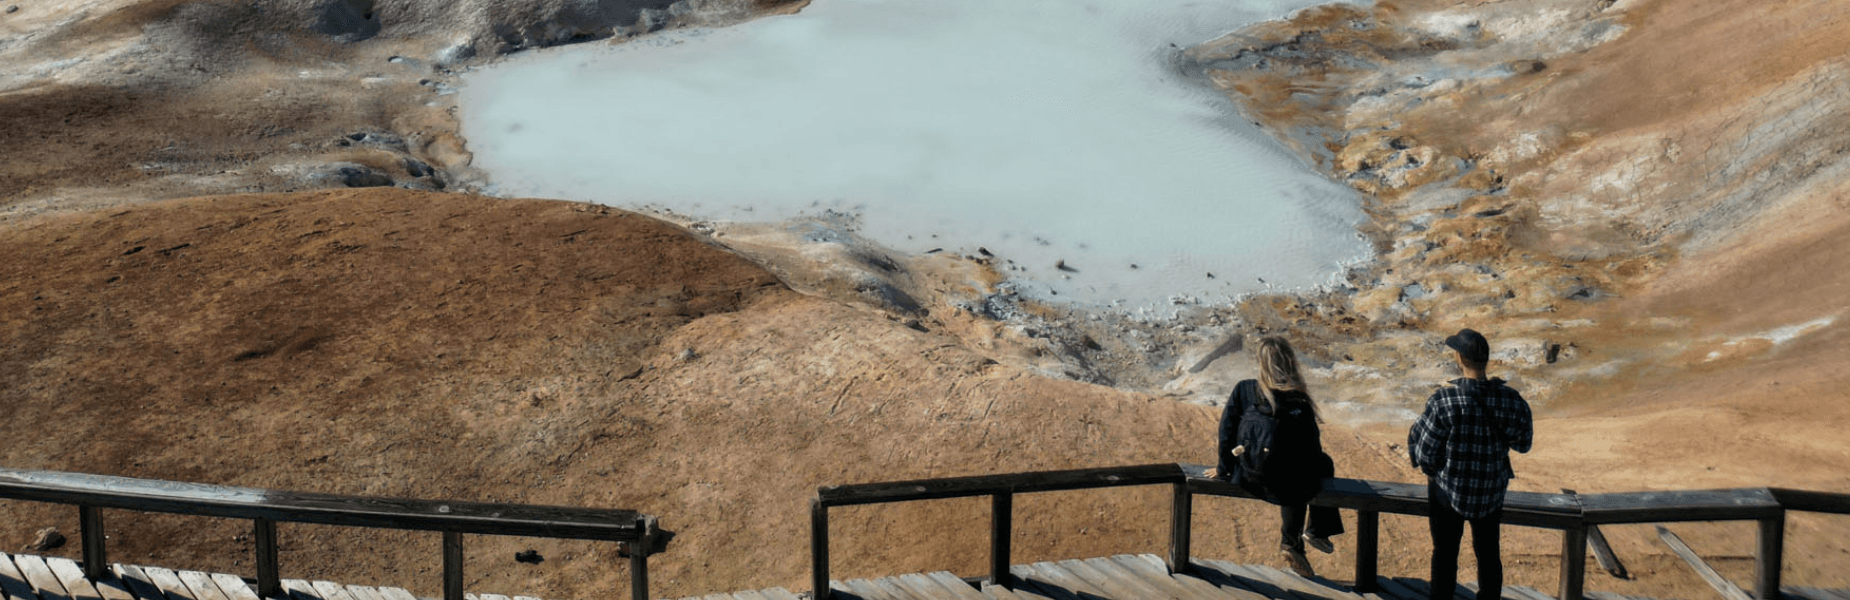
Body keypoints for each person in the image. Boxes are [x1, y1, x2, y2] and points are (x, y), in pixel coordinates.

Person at [1408, 328, 1534, 600]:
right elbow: (1523, 444)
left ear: (1459, 358)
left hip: (1448, 492)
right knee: (1488, 553)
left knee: (1444, 553)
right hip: (1491, 490)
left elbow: (1426, 455)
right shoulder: (1512, 400)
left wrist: (1436, 472)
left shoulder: (1443, 401)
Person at [1210, 336, 1343, 578]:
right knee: (1318, 465)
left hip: (1249, 475)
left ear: (1261, 363)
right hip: (1286, 485)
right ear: (1290, 362)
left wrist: (1222, 468)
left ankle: (1303, 538)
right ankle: (1310, 533)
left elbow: (1226, 430)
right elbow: (1312, 449)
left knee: (1293, 472)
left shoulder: (1245, 389)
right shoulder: (1298, 399)